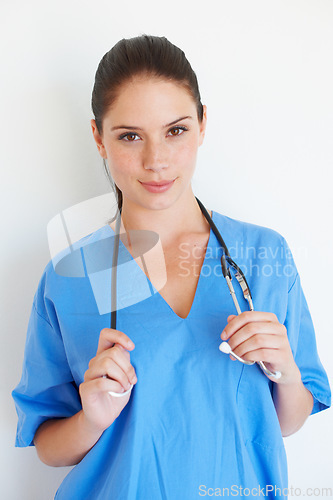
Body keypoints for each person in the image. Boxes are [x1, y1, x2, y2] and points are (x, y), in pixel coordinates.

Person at [12, 34, 331, 500]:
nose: (156, 160)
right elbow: (49, 447)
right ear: (99, 138)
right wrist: (92, 417)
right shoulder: (70, 277)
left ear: (202, 125)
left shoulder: (263, 256)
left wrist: (284, 369)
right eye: (129, 136)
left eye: (175, 130)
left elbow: (286, 422)